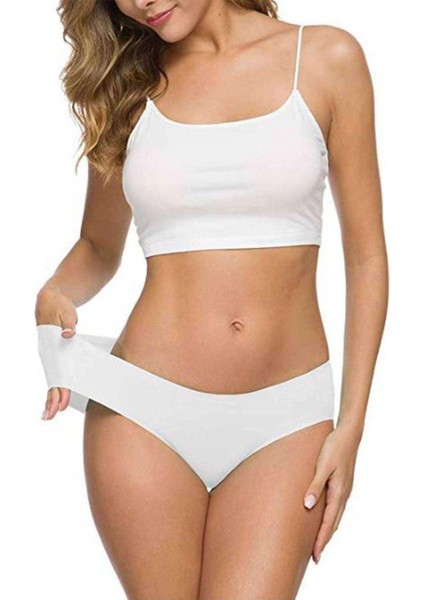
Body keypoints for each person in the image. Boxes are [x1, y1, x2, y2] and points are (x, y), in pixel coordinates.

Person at [35, 1, 389, 599]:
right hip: (143, 416)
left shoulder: (327, 59)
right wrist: (53, 293)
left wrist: (351, 427)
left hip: (285, 420)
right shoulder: (127, 88)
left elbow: (366, 258)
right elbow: (98, 245)